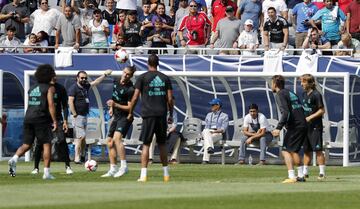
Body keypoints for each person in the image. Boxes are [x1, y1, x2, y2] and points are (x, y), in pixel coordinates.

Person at [128, 54, 174, 182]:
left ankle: (143, 175)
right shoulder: (165, 78)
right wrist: (171, 113)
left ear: (148, 63)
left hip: (148, 115)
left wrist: (130, 112)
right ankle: (166, 175)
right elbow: (170, 99)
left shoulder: (142, 78)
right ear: (158, 63)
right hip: (161, 114)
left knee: (146, 144)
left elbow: (135, 97)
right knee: (162, 144)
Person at [8, 64, 57, 180]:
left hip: (28, 117)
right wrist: (54, 120)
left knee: (26, 144)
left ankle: (14, 158)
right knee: (47, 144)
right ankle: (46, 173)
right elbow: (50, 104)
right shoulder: (50, 88)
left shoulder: (32, 88)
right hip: (41, 118)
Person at [68, 69, 113, 164]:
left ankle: (83, 155)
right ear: (77, 78)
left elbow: (96, 82)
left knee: (82, 138)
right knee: (80, 137)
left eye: (85, 78)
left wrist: (104, 74)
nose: (84, 79)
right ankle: (77, 158)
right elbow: (70, 101)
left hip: (84, 115)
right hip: (77, 116)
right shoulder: (74, 88)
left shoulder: (85, 86)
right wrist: (74, 113)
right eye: (82, 78)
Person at [31, 76, 73, 175]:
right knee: (39, 143)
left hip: (57, 119)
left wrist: (65, 121)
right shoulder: (41, 88)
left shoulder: (60, 88)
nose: (54, 78)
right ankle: (36, 168)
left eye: (55, 76)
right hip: (43, 120)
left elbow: (65, 106)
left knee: (62, 141)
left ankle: (67, 166)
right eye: (51, 75)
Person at [271, 75, 307, 183]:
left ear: (275, 84)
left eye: (272, 83)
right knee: (294, 151)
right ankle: (300, 175)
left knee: (286, 151)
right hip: (302, 124)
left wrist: (278, 128)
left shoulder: (280, 94)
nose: (271, 86)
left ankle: (292, 176)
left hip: (295, 126)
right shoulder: (290, 92)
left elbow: (285, 112)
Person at [101, 66, 136, 178]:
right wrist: (112, 107)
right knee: (110, 142)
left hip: (125, 117)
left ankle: (124, 166)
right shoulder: (116, 81)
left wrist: (115, 105)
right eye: (125, 73)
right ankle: (112, 168)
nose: (125, 75)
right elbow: (114, 97)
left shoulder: (131, 89)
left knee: (117, 139)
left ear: (131, 76)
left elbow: (130, 107)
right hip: (116, 116)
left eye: (128, 75)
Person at [300, 74, 326, 180]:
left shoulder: (316, 95)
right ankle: (305, 172)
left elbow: (322, 110)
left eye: (304, 82)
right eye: (301, 82)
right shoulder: (304, 94)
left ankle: (322, 173)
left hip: (315, 126)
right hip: (306, 127)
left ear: (310, 83)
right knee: (306, 150)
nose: (301, 84)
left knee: (318, 150)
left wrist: (310, 117)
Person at [149, 96, 181, 164]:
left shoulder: (174, 112)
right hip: (159, 131)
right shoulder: (159, 110)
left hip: (168, 132)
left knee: (178, 137)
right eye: (171, 103)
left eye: (173, 103)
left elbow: (174, 125)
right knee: (153, 135)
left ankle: (173, 158)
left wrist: (168, 131)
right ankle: (150, 158)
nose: (172, 105)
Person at [201, 98, 229, 164]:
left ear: (218, 106)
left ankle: (206, 157)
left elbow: (223, 129)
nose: (211, 106)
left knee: (207, 139)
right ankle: (208, 154)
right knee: (206, 131)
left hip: (218, 133)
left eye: (213, 105)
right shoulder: (208, 115)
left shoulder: (224, 116)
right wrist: (207, 133)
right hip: (208, 133)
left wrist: (214, 132)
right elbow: (206, 127)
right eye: (211, 105)